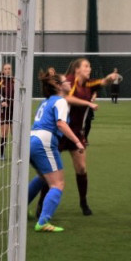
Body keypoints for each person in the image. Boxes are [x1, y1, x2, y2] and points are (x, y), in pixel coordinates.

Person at [26, 69, 84, 232]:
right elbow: (61, 124)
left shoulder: (45, 102)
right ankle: (43, 222)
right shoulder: (60, 101)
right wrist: (77, 142)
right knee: (57, 183)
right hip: (44, 141)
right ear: (59, 86)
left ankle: (20, 210)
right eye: (66, 81)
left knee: (43, 177)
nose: (69, 83)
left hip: (31, 139)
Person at [57, 58, 118, 215]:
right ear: (77, 69)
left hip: (77, 132)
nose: (89, 69)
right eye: (86, 66)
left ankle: (83, 203)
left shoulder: (89, 83)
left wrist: (110, 78)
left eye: (89, 66)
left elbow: (102, 82)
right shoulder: (70, 81)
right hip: (61, 130)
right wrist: (88, 104)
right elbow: (67, 98)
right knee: (52, 171)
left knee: (82, 168)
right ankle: (40, 205)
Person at [0, 63, 15, 161]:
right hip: (3, 111)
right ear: (2, 70)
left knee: (15, 133)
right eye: (5, 69)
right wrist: (2, 102)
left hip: (14, 110)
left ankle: (17, 154)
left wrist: (11, 103)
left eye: (9, 69)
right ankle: (2, 154)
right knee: (4, 132)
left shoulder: (15, 81)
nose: (7, 70)